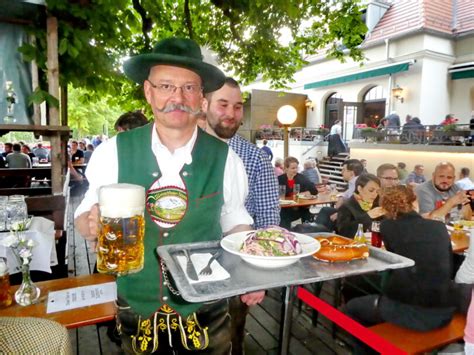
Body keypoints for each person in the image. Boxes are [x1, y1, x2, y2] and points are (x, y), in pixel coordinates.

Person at [74, 37, 262, 354]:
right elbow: (82, 216)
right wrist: (90, 223)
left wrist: (255, 263)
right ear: (148, 92)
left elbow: (235, 220)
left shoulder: (226, 157)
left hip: (206, 307)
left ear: (201, 97)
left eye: (189, 87)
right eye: (165, 86)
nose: (177, 97)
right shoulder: (111, 152)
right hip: (137, 306)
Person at [203, 76, 279, 354]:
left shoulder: (253, 157)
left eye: (237, 107)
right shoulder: (185, 148)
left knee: (232, 336)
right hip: (188, 265)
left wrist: (257, 274)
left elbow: (268, 215)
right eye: (223, 104)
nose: (231, 114)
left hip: (235, 265)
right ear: (204, 104)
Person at [345, 186, 459, 336]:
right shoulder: (438, 226)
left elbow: (394, 260)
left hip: (415, 314)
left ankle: (372, 344)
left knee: (352, 307)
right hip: (446, 309)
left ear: (385, 208)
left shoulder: (387, 226)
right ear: (414, 203)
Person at [315, 159, 364, 231]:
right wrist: (341, 197)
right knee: (326, 211)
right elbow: (346, 194)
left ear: (351, 173)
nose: (341, 172)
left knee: (327, 212)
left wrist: (340, 213)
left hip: (354, 216)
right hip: (348, 212)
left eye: (343, 170)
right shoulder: (353, 183)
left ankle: (319, 232)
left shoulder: (358, 184)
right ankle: (321, 232)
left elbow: (356, 206)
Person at [278, 156, 318, 229]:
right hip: (284, 209)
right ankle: (285, 233)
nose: (295, 170)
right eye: (293, 168)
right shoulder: (280, 179)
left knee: (306, 212)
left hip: (299, 208)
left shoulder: (301, 177)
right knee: (283, 215)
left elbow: (314, 190)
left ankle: (307, 231)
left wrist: (307, 192)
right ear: (286, 168)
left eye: (296, 168)